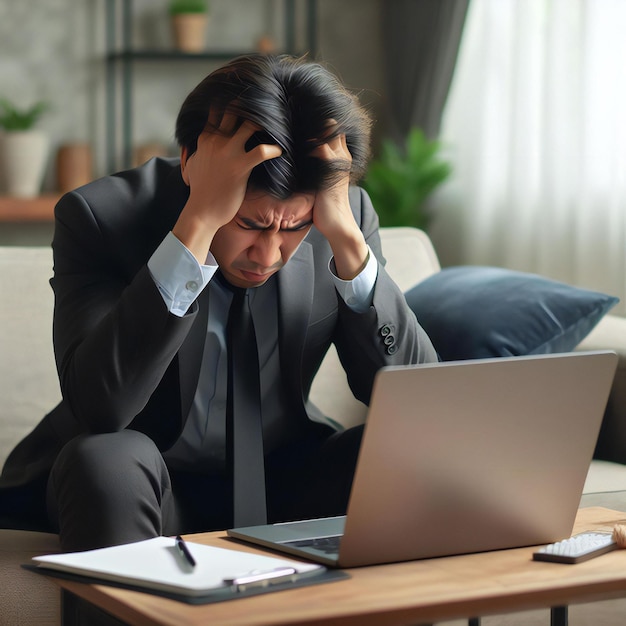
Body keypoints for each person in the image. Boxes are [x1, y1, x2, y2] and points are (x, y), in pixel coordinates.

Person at [0, 54, 437, 551]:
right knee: (106, 460)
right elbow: (102, 407)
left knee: (405, 452)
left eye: (293, 228)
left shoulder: (344, 217)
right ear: (192, 162)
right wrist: (199, 225)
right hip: (142, 486)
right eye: (249, 224)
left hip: (284, 483)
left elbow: (419, 401)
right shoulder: (100, 217)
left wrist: (348, 243)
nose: (269, 254)